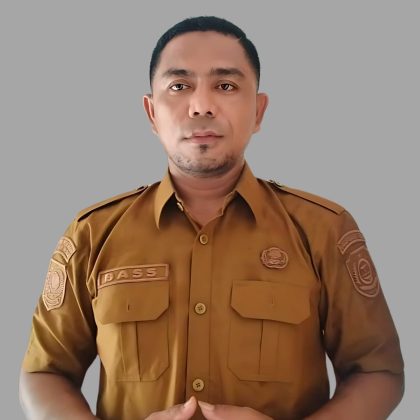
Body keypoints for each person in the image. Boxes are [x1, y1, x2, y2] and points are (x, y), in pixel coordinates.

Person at [19, 16, 404, 420]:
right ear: (151, 113)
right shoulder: (94, 233)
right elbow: (45, 372)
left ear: (258, 111)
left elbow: (379, 371)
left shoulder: (323, 229)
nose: (201, 105)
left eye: (225, 86)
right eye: (179, 86)